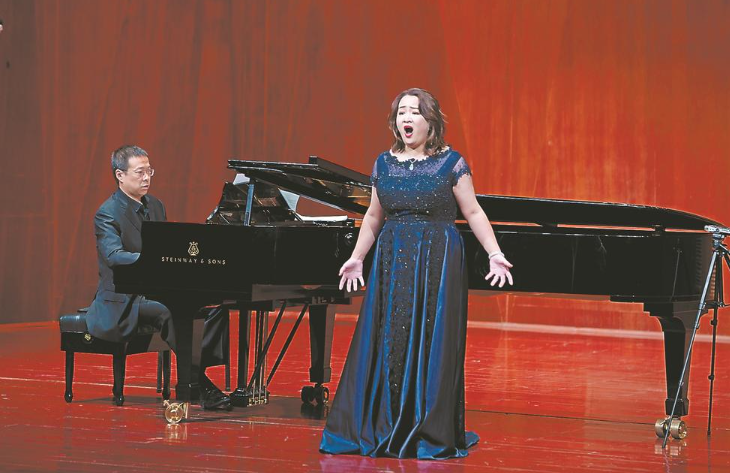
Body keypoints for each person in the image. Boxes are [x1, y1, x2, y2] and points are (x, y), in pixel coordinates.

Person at [319, 88, 513, 459]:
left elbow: (473, 212)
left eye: (415, 112)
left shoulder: (451, 163)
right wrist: (357, 257)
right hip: (393, 260)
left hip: (438, 259)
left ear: (431, 121)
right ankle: (388, 421)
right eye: (401, 113)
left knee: (431, 339)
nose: (407, 118)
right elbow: (373, 216)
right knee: (390, 339)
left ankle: (427, 427)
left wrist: (494, 253)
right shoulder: (383, 164)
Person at [85, 145, 231, 410]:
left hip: (153, 289)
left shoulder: (155, 205)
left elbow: (166, 247)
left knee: (214, 306)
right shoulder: (107, 213)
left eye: (149, 171)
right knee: (169, 311)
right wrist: (152, 260)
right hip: (123, 298)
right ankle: (200, 384)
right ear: (120, 175)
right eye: (139, 172)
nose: (146, 178)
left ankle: (196, 371)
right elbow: (114, 256)